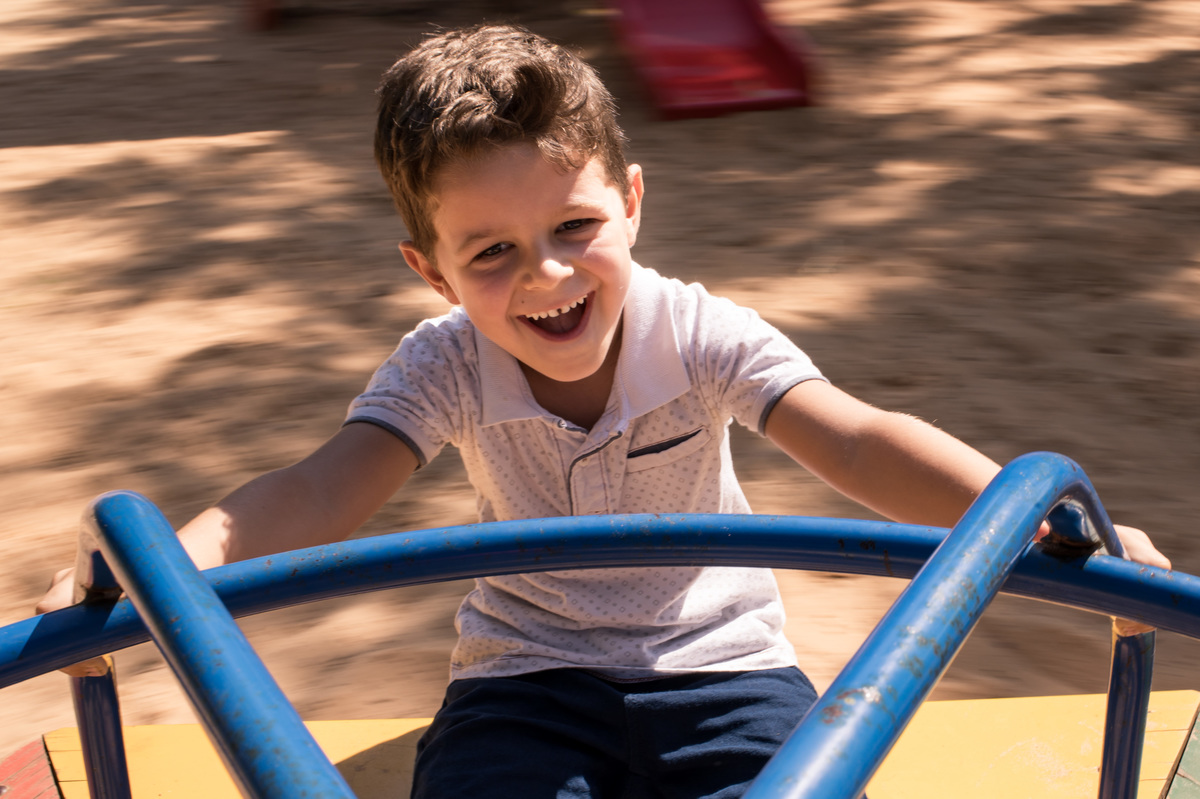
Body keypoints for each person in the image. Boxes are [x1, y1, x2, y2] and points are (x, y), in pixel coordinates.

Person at [38, 23, 1170, 799]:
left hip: (722, 668)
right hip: (526, 677)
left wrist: (1020, 515)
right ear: (431, 271)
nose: (545, 276)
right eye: (490, 251)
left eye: (575, 228)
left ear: (631, 203)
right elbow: (323, 486)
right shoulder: (444, 364)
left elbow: (855, 436)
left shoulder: (700, 332)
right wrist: (164, 570)